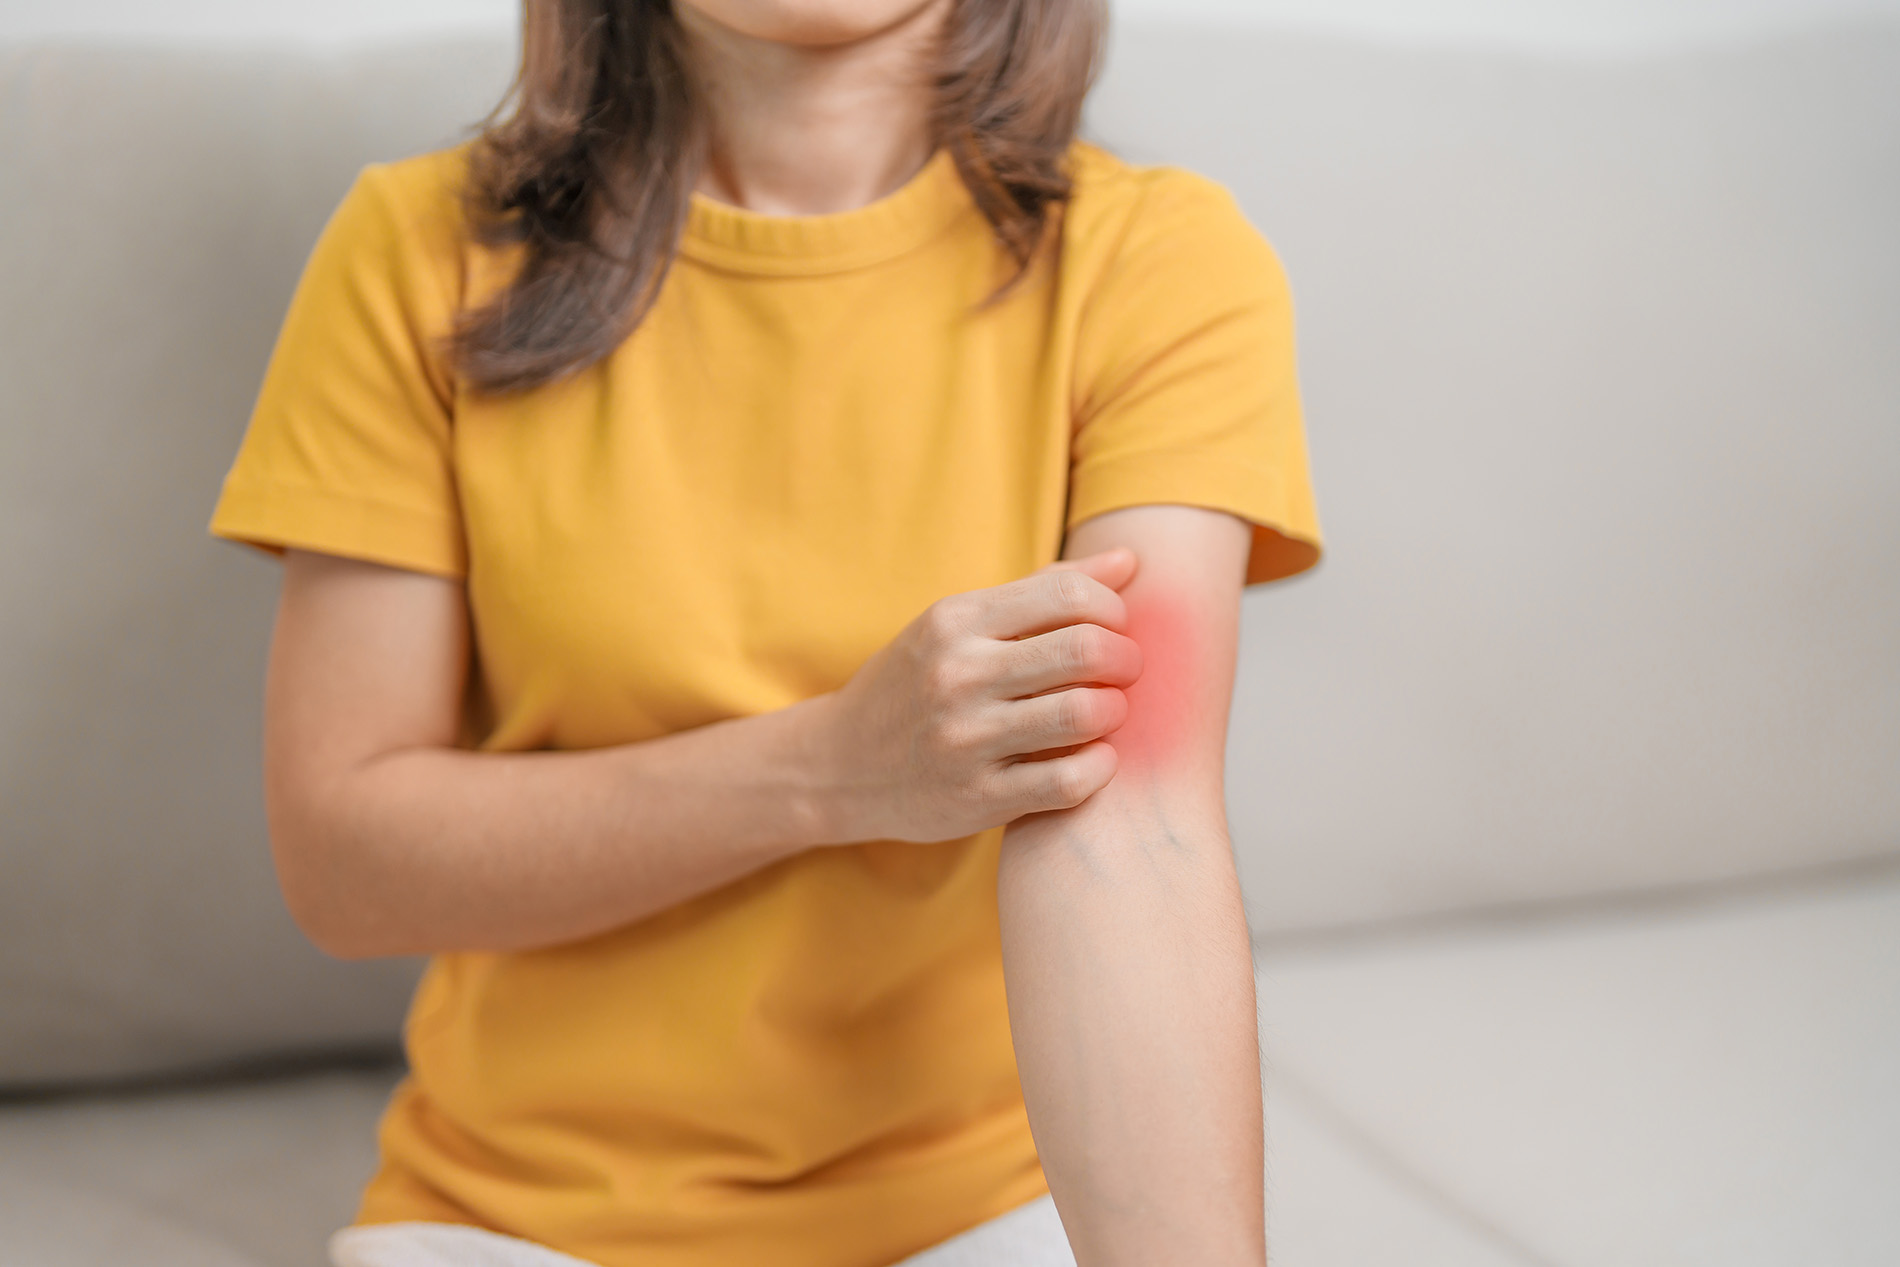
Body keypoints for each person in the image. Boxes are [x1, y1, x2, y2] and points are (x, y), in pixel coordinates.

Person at [206, 0, 1322, 1264]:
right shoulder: (412, 250)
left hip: (995, 1209)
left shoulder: (1162, 264)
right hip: (519, 1224)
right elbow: (346, 869)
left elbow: (1136, 830)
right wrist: (830, 769)